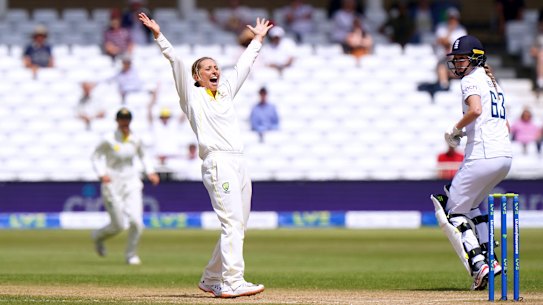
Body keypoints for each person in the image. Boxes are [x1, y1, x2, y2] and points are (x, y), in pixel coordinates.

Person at [139, 12, 271, 298]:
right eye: (207, 68)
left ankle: (211, 277)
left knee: (239, 224)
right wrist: (159, 35)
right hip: (217, 161)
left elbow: (244, 66)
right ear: (197, 77)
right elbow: (176, 62)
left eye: (215, 67)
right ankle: (233, 280)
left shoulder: (224, 91)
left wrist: (258, 39)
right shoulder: (192, 95)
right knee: (232, 223)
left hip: (239, 160)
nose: (214, 70)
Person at [430, 35, 512, 291]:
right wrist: (466, 133)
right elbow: (500, 124)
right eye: (455, 59)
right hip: (503, 157)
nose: (457, 63)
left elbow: (475, 110)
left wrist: (454, 128)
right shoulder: (491, 83)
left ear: (476, 58)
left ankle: (479, 263)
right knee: (472, 206)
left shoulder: (471, 80)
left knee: (452, 211)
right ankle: (492, 261)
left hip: (482, 157)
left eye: (462, 58)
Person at [91, 108, 160, 265]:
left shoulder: (135, 139)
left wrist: (151, 172)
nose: (124, 122)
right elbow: (95, 156)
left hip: (132, 182)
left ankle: (131, 255)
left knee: (136, 221)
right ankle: (98, 236)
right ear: (117, 121)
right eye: (122, 119)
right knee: (119, 225)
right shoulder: (108, 139)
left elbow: (144, 156)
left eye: (127, 119)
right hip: (112, 183)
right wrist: (101, 173)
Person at [434, 7, 466, 90]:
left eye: (454, 18)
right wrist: (450, 30)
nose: (452, 20)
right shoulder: (441, 27)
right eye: (451, 18)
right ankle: (444, 88)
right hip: (444, 58)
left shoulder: (461, 30)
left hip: (456, 59)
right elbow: (442, 41)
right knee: (442, 68)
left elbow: (463, 46)